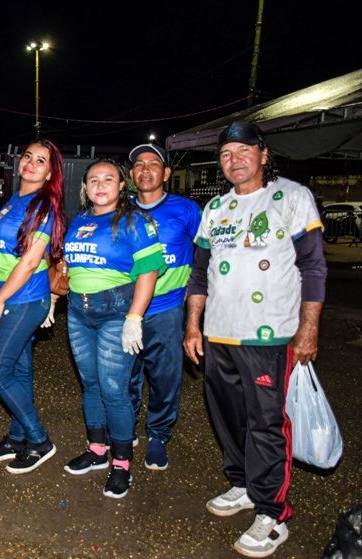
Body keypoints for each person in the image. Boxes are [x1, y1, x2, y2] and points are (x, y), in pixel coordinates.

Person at [184, 121, 327, 558]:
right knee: (228, 417)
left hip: (271, 336)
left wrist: (309, 328)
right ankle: (243, 484)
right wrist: (193, 325)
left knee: (266, 424)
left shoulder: (292, 196)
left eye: (243, 151)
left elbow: (314, 268)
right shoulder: (216, 207)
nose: (234, 160)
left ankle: (273, 512)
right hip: (219, 334)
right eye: (226, 154)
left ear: (263, 155)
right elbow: (199, 271)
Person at [62, 159, 166, 499]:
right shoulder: (79, 221)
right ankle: (96, 450)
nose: (100, 185)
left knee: (113, 388)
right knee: (91, 383)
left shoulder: (135, 220)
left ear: (123, 185)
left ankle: (121, 464)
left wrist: (134, 317)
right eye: (93, 180)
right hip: (79, 312)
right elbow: (68, 266)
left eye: (109, 179)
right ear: (85, 187)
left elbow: (149, 270)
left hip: (115, 312)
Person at [0, 138, 65, 474]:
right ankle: (17, 437)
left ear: (50, 173)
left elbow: (29, 262)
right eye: (27, 156)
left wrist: (1, 298)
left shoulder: (43, 207)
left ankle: (39, 440)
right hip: (8, 292)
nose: (30, 163)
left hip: (25, 299)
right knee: (17, 370)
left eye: (40, 160)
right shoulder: (16, 198)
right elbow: (3, 250)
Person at [127, 144, 201, 470]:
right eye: (139, 164)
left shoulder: (186, 210)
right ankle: (125, 429)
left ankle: (158, 435)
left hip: (168, 308)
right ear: (131, 175)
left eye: (153, 164)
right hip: (126, 310)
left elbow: (206, 254)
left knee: (165, 376)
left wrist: (195, 292)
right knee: (125, 375)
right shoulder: (119, 209)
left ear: (166, 174)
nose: (145, 169)